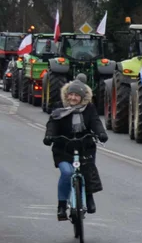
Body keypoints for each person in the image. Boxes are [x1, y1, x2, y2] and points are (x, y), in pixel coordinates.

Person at [43, 80, 107, 221]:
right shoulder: (59, 107)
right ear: (66, 95)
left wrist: (101, 133)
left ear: (83, 97)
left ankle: (89, 198)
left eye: (76, 95)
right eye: (70, 95)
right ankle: (61, 206)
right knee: (67, 173)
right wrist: (49, 136)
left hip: (84, 146)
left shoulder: (89, 108)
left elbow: (96, 122)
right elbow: (52, 123)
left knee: (87, 170)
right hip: (63, 147)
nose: (72, 98)